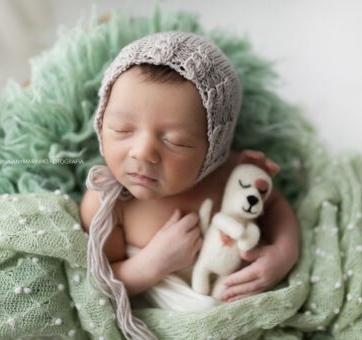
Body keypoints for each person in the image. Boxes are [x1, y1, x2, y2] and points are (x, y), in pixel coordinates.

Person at [79, 31, 299, 336]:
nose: (142, 152)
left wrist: (283, 254)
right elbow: (104, 279)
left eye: (176, 142)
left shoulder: (230, 172)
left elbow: (275, 203)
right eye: (121, 129)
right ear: (102, 123)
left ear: (214, 149)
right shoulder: (110, 202)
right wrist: (151, 265)